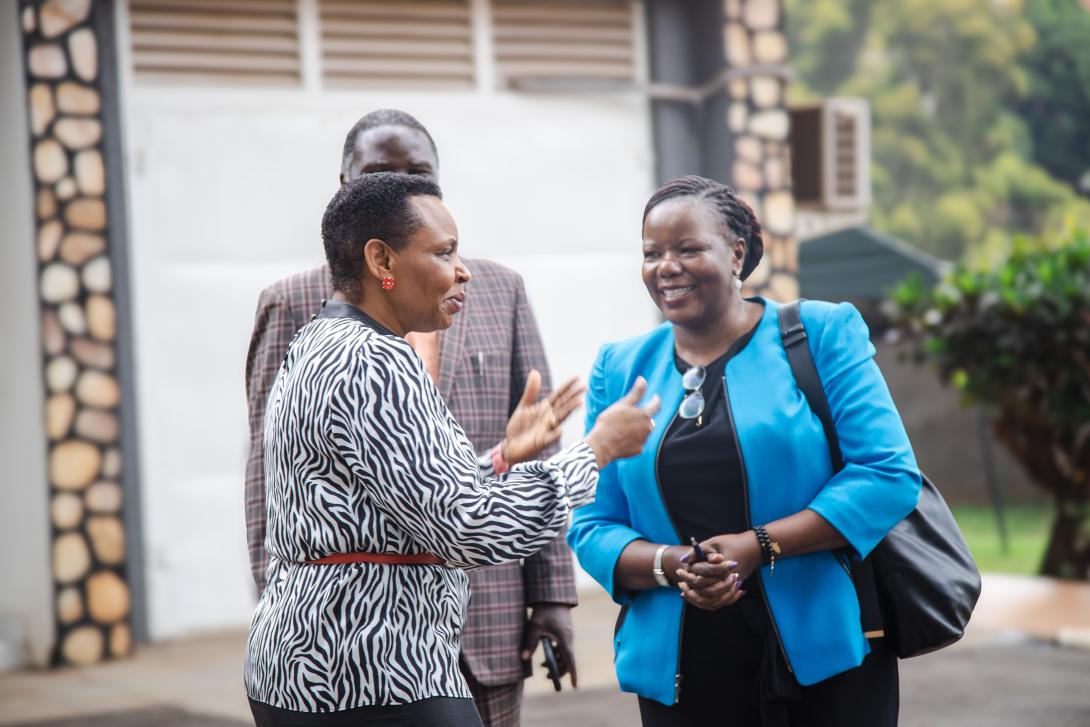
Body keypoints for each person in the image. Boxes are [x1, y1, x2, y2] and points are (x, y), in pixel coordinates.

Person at [244, 172, 659, 726]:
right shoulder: (376, 361)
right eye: (443, 252)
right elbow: (466, 529)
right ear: (381, 261)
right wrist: (595, 452)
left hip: (301, 672)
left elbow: (395, 497)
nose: (463, 270)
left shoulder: (319, 340)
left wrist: (503, 459)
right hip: (375, 674)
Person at [567, 175, 922, 726]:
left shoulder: (819, 333)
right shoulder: (619, 367)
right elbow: (593, 523)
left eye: (688, 248)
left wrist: (758, 547)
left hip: (824, 654)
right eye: (651, 253)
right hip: (682, 668)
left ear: (736, 253)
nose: (666, 266)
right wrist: (676, 565)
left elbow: (887, 474)